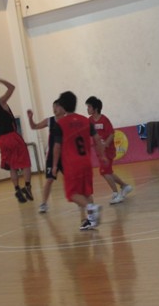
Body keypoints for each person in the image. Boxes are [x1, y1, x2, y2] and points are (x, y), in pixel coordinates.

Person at [51, 91, 107, 230]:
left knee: (71, 194)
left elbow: (57, 147)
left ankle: (92, 208)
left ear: (62, 106)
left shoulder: (60, 123)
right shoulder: (86, 120)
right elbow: (97, 139)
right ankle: (91, 221)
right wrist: (102, 156)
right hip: (86, 162)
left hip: (72, 164)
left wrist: (54, 165)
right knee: (86, 193)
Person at [85, 96, 133, 204]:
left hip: (108, 150)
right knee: (108, 172)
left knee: (104, 172)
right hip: (99, 152)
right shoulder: (89, 121)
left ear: (95, 108)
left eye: (89, 107)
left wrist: (105, 144)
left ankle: (116, 194)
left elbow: (112, 133)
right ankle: (125, 186)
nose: (87, 109)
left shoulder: (104, 119)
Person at [27, 100, 65, 214]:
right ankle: (44, 203)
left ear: (63, 108)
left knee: (72, 178)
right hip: (52, 156)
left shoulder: (67, 120)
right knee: (49, 180)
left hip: (65, 155)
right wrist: (30, 118)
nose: (54, 109)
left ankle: (80, 199)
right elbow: (34, 126)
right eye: (53, 107)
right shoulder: (50, 120)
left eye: (57, 106)